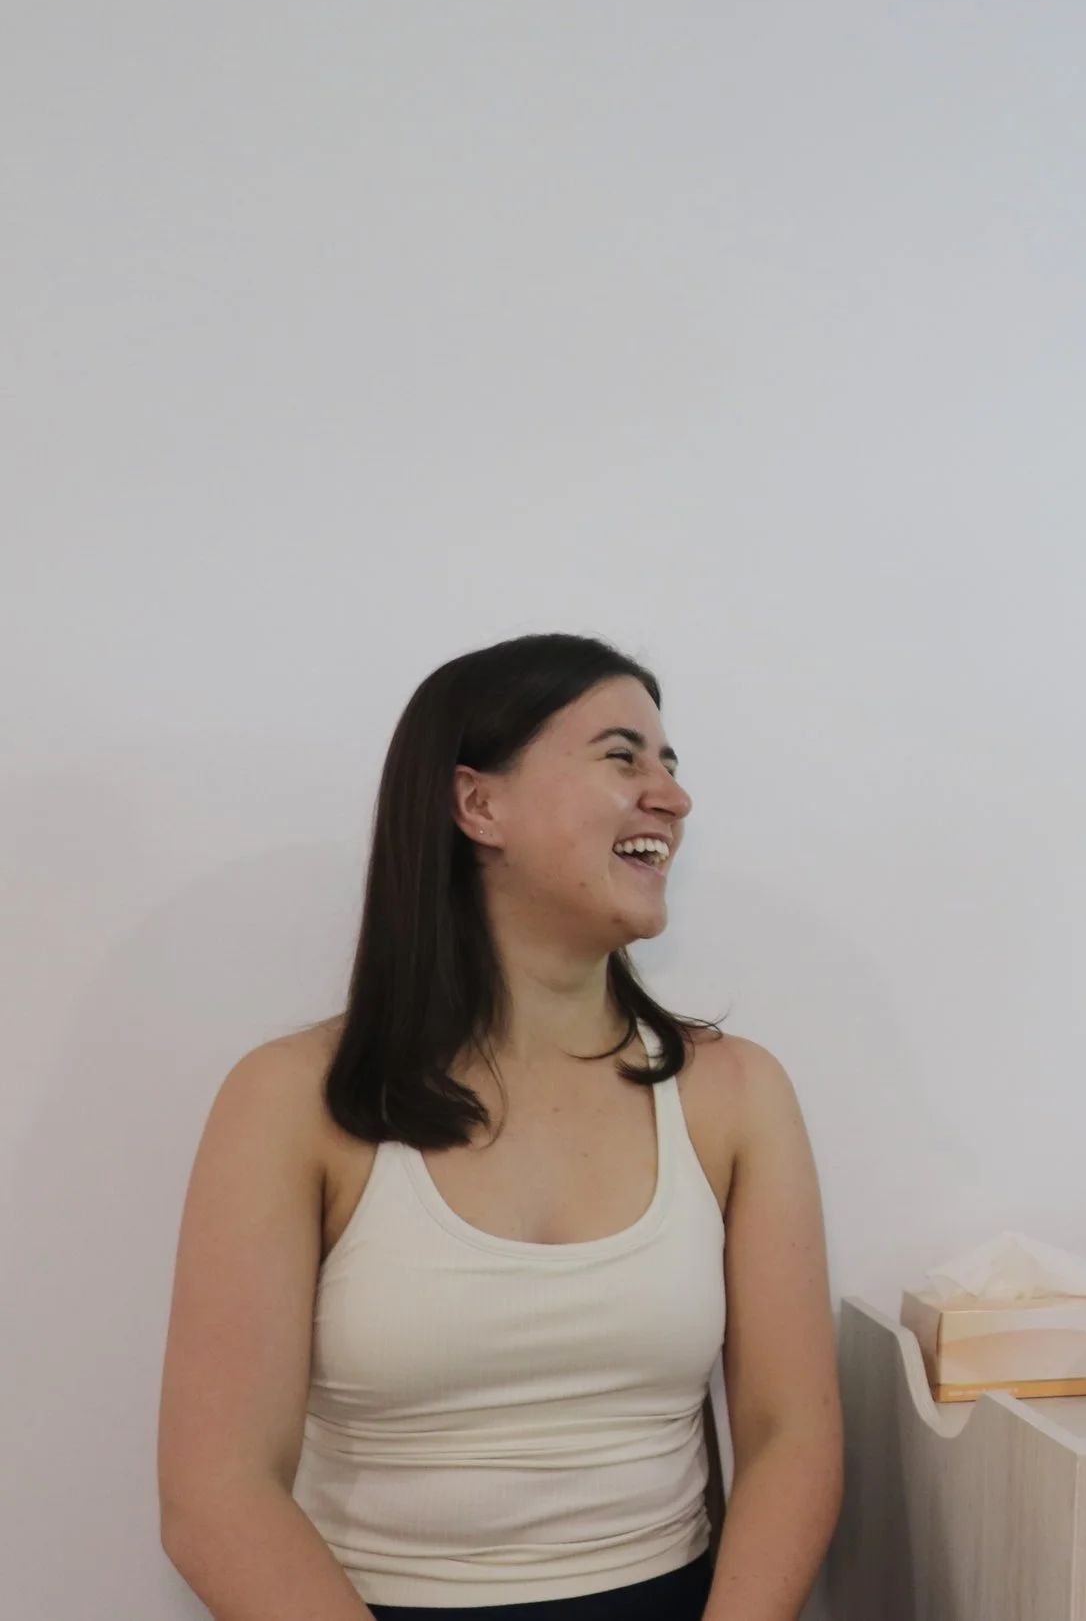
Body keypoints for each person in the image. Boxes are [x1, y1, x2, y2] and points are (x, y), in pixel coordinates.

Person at [160, 635, 843, 1621]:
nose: (670, 796)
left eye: (670, 763)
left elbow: (792, 1433)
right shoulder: (289, 1100)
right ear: (479, 804)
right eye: (622, 755)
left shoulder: (734, 1092)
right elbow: (215, 1490)